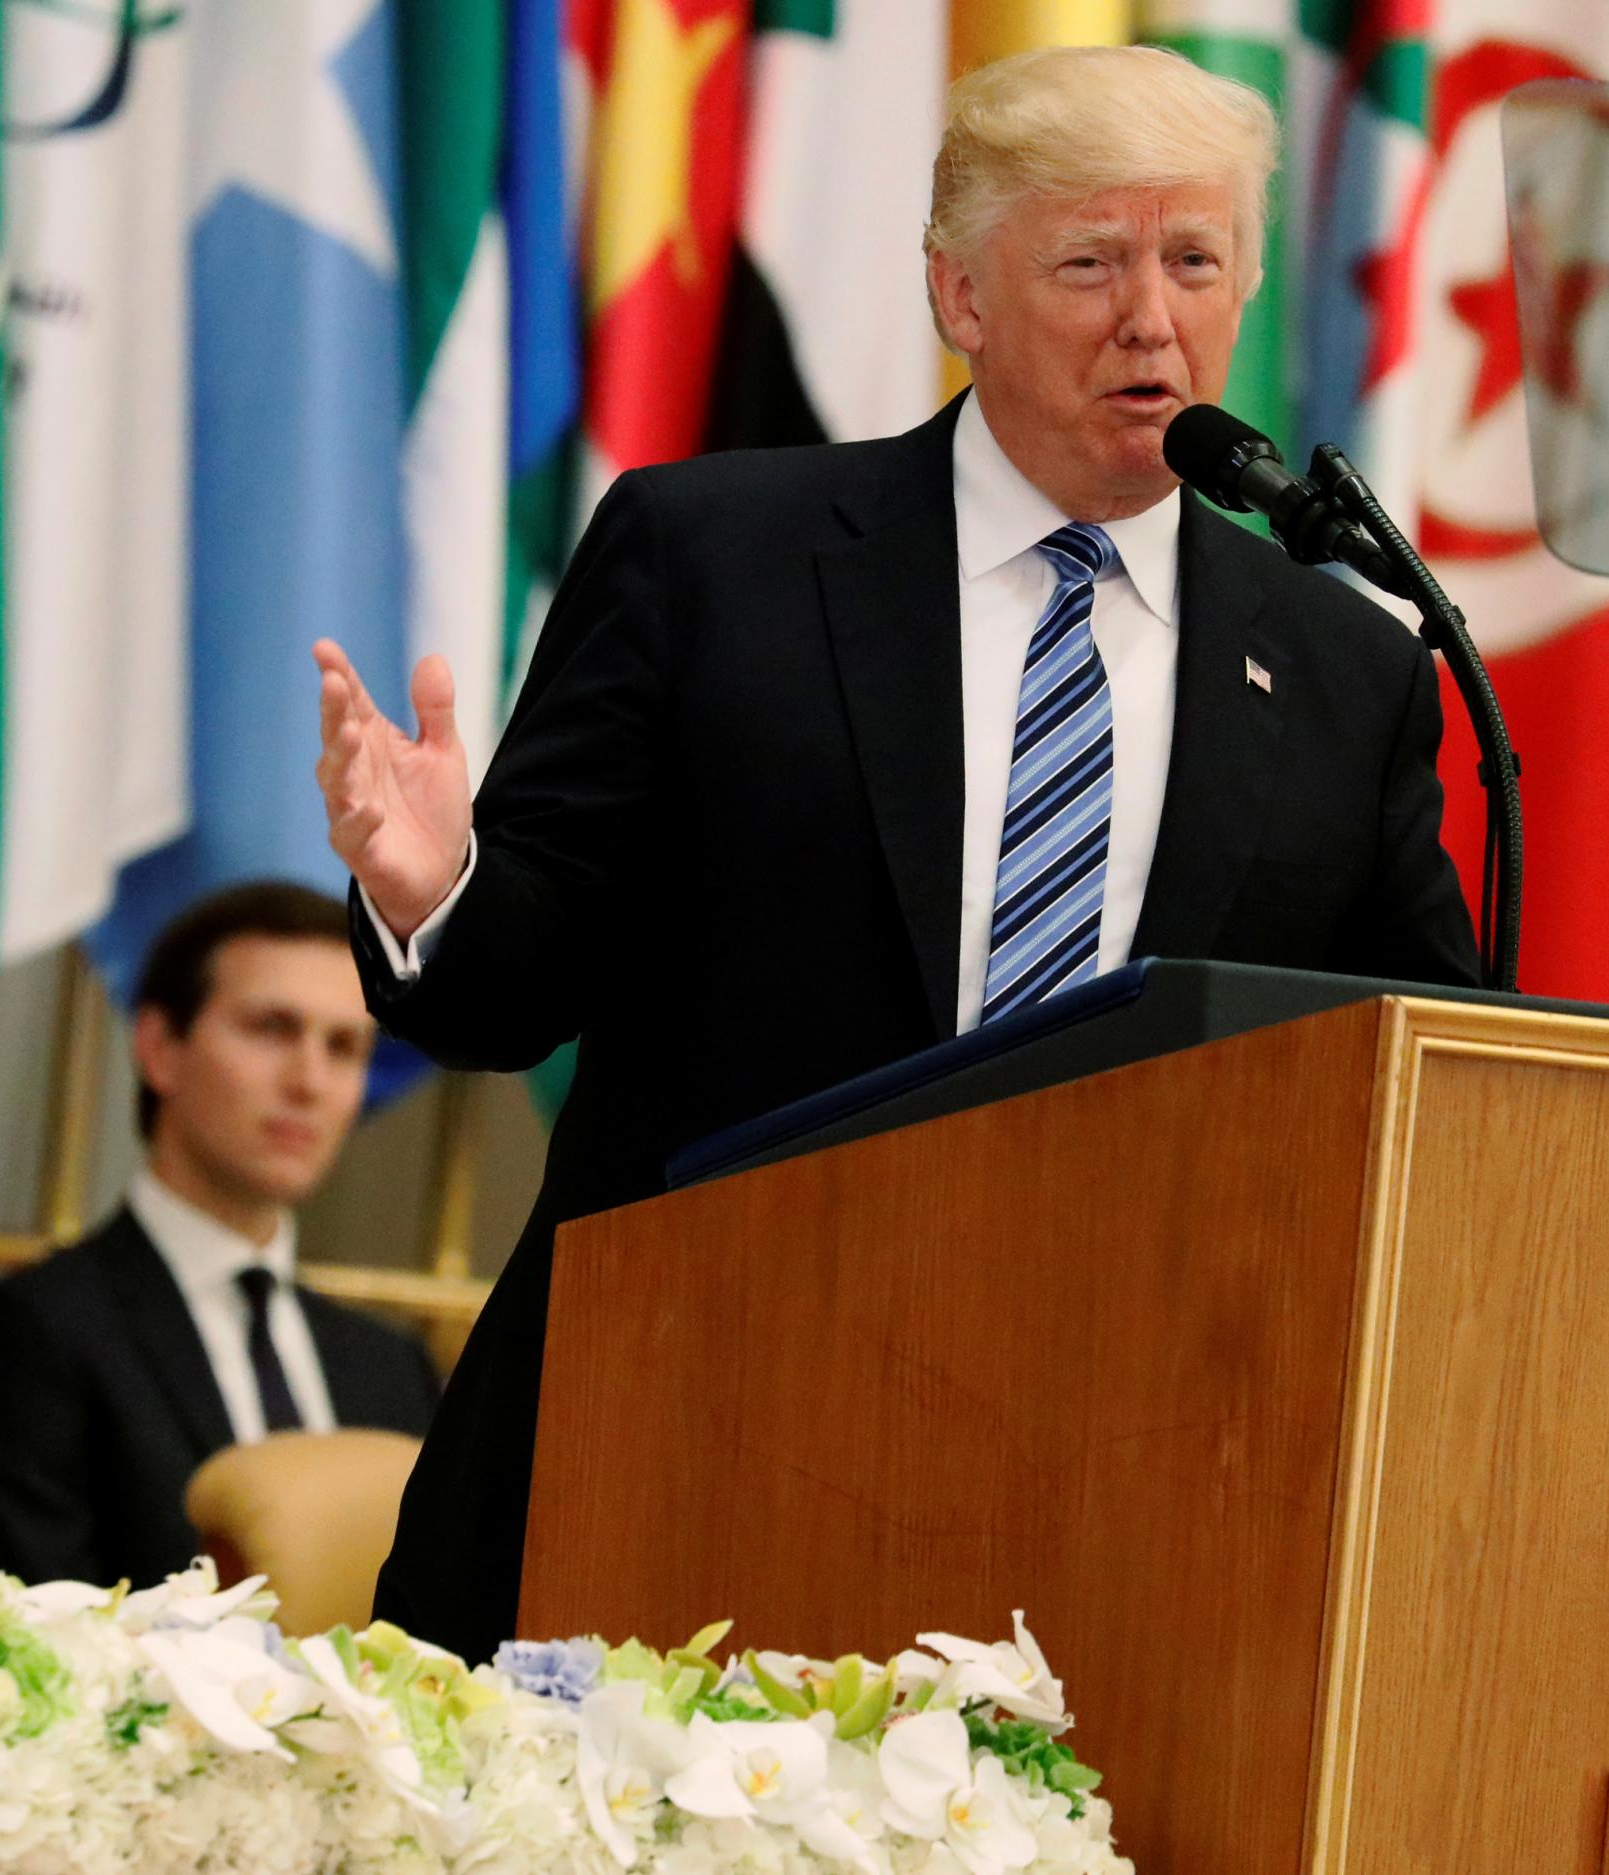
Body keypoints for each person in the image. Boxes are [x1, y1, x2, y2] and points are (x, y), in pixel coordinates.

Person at [313, 45, 1481, 1662]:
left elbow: (1415, 1068)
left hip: (1121, 1504)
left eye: (1195, 259)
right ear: (962, 294)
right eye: (1091, 260)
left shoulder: (1348, 667)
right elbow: (510, 999)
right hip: (684, 1427)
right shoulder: (712, 555)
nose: (1153, 317)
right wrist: (435, 886)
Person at [0, 881, 440, 1588]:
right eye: (272, 1028)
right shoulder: (27, 1337)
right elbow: (34, 1656)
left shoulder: (391, 1369)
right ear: (160, 1046)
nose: (310, 1081)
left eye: (345, 1046)